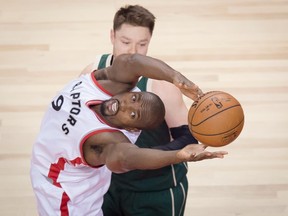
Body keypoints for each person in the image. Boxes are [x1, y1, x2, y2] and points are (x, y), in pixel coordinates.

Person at [30, 53, 228, 216]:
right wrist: (177, 78)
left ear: (132, 129)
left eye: (133, 114)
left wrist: (177, 156)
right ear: (132, 89)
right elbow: (132, 62)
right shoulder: (108, 84)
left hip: (65, 194)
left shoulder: (107, 140)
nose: (125, 105)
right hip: (49, 156)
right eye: (134, 98)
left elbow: (128, 158)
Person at [81, 5, 202, 216]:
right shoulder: (92, 72)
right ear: (112, 36)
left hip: (155, 190)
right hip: (107, 185)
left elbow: (188, 138)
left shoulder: (161, 86)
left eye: (142, 44)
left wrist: (142, 157)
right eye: (125, 42)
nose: (133, 52)